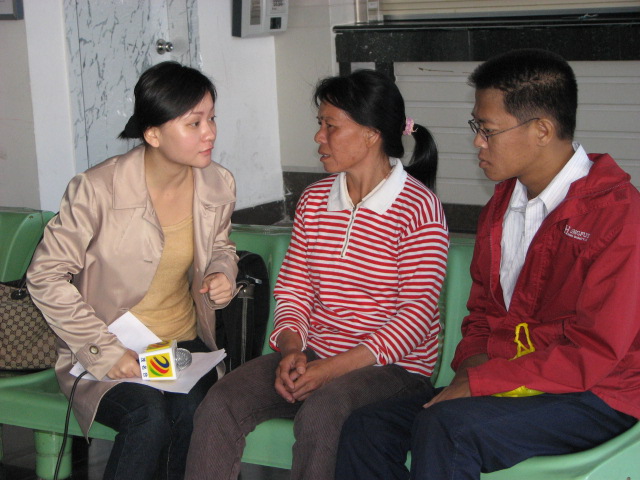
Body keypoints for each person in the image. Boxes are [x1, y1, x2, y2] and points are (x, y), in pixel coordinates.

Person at [335, 48, 640, 480]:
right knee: (368, 427)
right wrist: (474, 365)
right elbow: (482, 312)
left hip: (601, 393)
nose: (478, 142)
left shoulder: (618, 215)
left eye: (488, 129)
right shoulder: (502, 205)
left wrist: (481, 383)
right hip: (513, 380)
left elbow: (595, 352)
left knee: (449, 429)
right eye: (476, 127)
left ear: (541, 130)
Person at [185, 69, 449, 480]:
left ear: (371, 134)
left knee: (324, 412)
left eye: (331, 126)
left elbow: (414, 318)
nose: (318, 137)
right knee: (221, 402)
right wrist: (292, 349)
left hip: (393, 369)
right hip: (314, 355)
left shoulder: (419, 209)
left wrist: (330, 370)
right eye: (319, 124)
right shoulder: (314, 200)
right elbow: (294, 290)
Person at [27, 61, 238, 480]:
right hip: (108, 346)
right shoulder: (97, 189)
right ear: (153, 134)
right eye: (194, 123)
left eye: (211, 118)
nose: (210, 133)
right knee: (148, 417)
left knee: (193, 413)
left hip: (179, 347)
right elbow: (45, 276)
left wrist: (222, 273)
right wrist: (105, 351)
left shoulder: (217, 183)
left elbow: (220, 247)